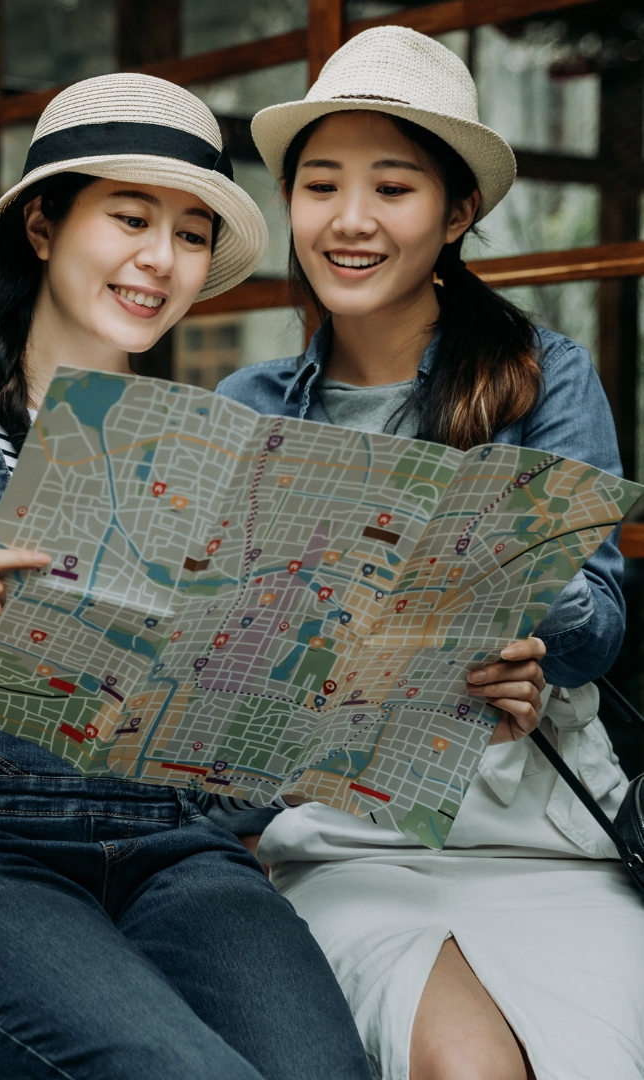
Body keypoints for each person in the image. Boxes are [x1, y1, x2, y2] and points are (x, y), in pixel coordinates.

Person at [0, 74, 373, 1080]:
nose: (160, 261)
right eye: (130, 217)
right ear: (42, 225)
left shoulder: (216, 455)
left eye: (193, 233)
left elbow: (249, 762)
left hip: (181, 854)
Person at [215, 27, 644, 1080]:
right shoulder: (247, 411)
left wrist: (519, 623)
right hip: (343, 847)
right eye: (320, 186)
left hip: (539, 836)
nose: (349, 220)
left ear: (456, 213)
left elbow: (597, 620)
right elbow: (225, 671)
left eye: (392, 188)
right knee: (469, 1070)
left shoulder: (545, 374)